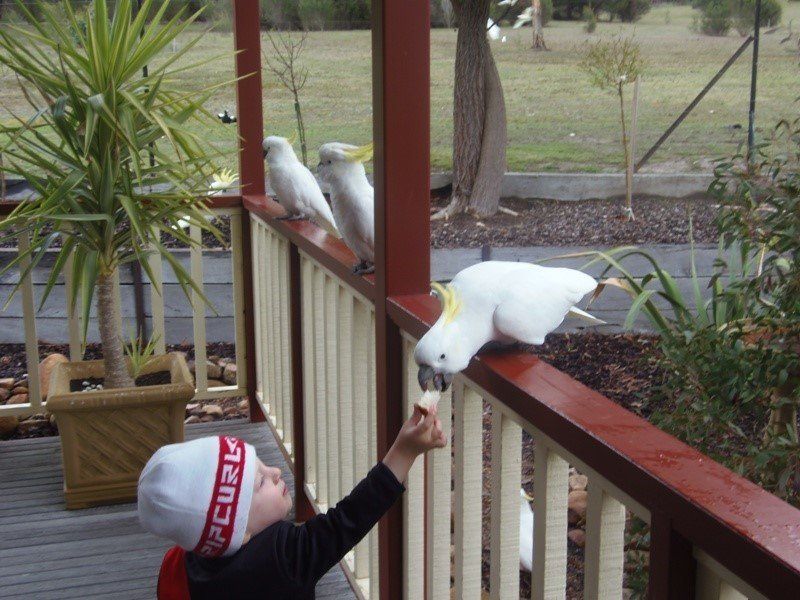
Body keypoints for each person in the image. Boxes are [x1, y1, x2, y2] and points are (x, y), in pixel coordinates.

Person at [138, 405, 446, 599]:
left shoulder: (178, 564)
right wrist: (405, 451)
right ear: (237, 529)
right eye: (259, 482)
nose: (274, 472)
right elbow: (348, 519)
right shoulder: (283, 557)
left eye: (261, 465)